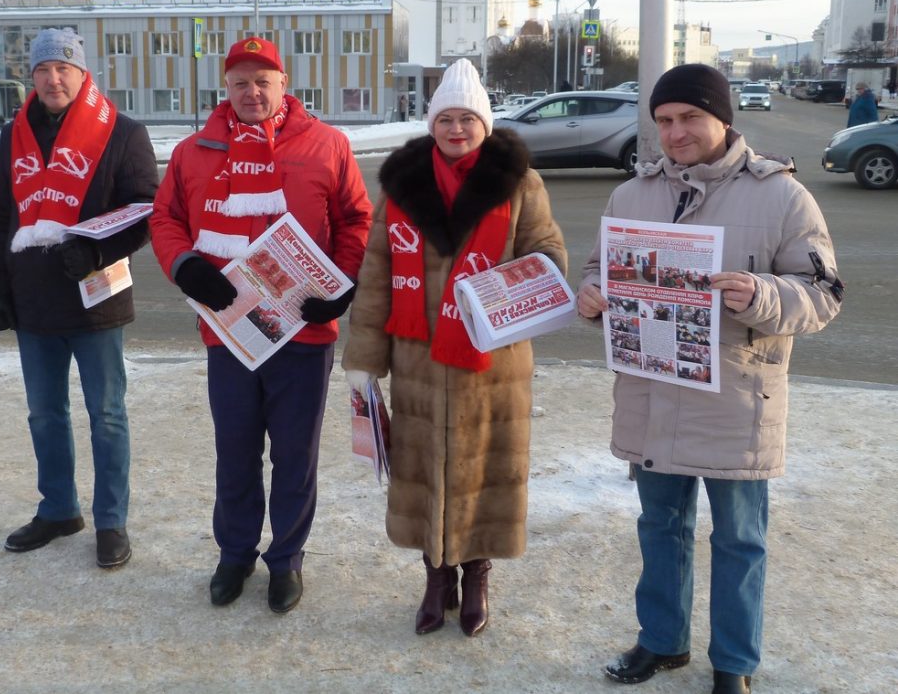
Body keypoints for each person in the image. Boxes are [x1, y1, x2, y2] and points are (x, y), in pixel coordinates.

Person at [575, 64, 843, 694]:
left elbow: (824, 294)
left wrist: (760, 293)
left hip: (737, 399)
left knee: (741, 539)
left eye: (690, 117)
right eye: (664, 120)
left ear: (723, 118)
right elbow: (598, 270)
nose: (675, 133)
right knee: (659, 526)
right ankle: (662, 642)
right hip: (653, 394)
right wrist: (592, 294)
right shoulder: (632, 195)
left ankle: (734, 664)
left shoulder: (782, 196)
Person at [341, 58, 567, 637]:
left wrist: (493, 294)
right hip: (417, 362)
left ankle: (477, 575)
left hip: (492, 364)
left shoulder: (520, 185)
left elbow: (549, 261)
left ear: (485, 125)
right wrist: (364, 363)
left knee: (482, 473)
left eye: (469, 118)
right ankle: (435, 579)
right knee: (423, 470)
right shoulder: (402, 189)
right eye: (447, 118)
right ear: (432, 124)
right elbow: (376, 277)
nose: (457, 129)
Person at [149, 36, 372, 613]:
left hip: (302, 332)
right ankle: (235, 553)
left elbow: (355, 219)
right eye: (240, 82)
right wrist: (186, 266)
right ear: (226, 89)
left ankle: (287, 559)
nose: (252, 92)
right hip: (228, 332)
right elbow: (166, 217)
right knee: (236, 450)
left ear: (283, 85)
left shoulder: (327, 144)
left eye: (262, 81)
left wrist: (340, 285)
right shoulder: (195, 150)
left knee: (295, 455)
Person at [0, 28, 158, 569]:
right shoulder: (14, 135)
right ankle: (59, 509)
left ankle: (110, 520)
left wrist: (96, 251)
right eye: (43, 69)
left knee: (106, 414)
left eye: (64, 68)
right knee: (44, 414)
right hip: (33, 300)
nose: (54, 78)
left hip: (95, 299)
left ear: (83, 74)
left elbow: (144, 209)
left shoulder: (122, 132)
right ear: (30, 77)